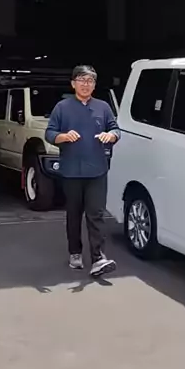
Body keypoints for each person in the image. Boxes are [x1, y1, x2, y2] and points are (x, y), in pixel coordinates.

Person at [46, 65, 121, 277]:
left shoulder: (103, 107)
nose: (85, 84)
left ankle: (98, 258)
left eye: (90, 81)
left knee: (96, 214)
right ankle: (75, 252)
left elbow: (115, 129)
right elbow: (49, 133)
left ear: (94, 85)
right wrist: (63, 136)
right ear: (73, 84)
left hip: (97, 171)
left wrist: (111, 136)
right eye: (81, 80)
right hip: (71, 172)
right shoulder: (62, 107)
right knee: (74, 215)